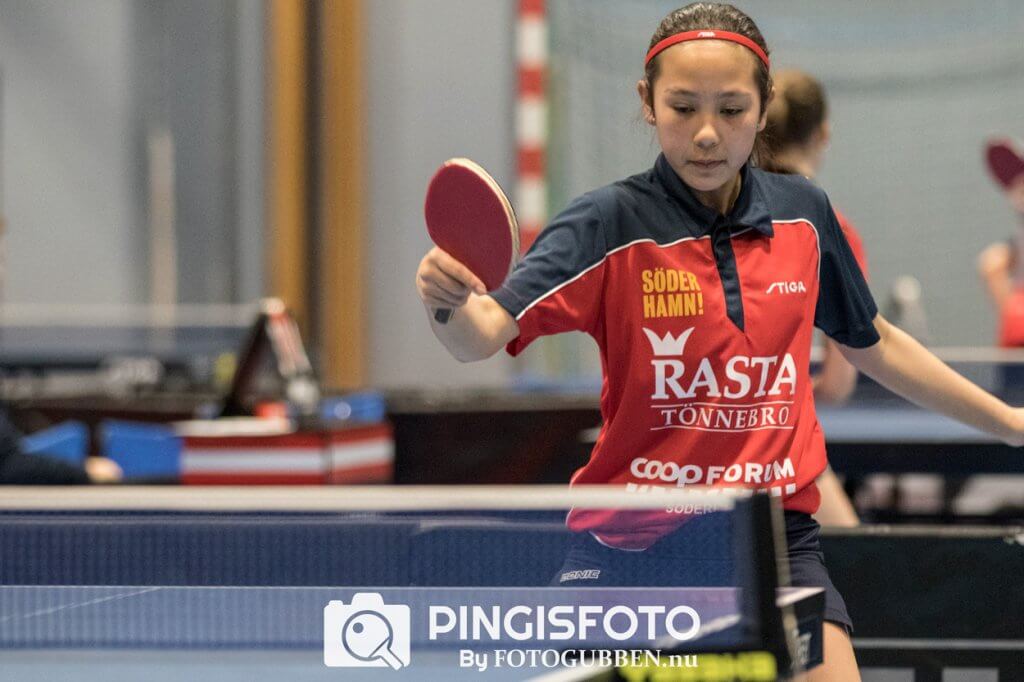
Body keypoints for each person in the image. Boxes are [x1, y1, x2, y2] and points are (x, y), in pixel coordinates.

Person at [416, 4, 1024, 678]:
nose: (707, 134)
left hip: (773, 541)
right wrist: (447, 304)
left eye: (732, 110)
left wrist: (1010, 423)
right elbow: (480, 336)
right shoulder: (605, 223)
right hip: (630, 546)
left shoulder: (804, 215)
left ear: (763, 108)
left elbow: (872, 341)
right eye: (682, 107)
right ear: (647, 103)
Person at [762, 69, 865, 528]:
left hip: (688, 449)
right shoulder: (833, 230)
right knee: (855, 557)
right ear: (823, 134)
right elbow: (839, 384)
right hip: (781, 447)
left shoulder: (709, 214)